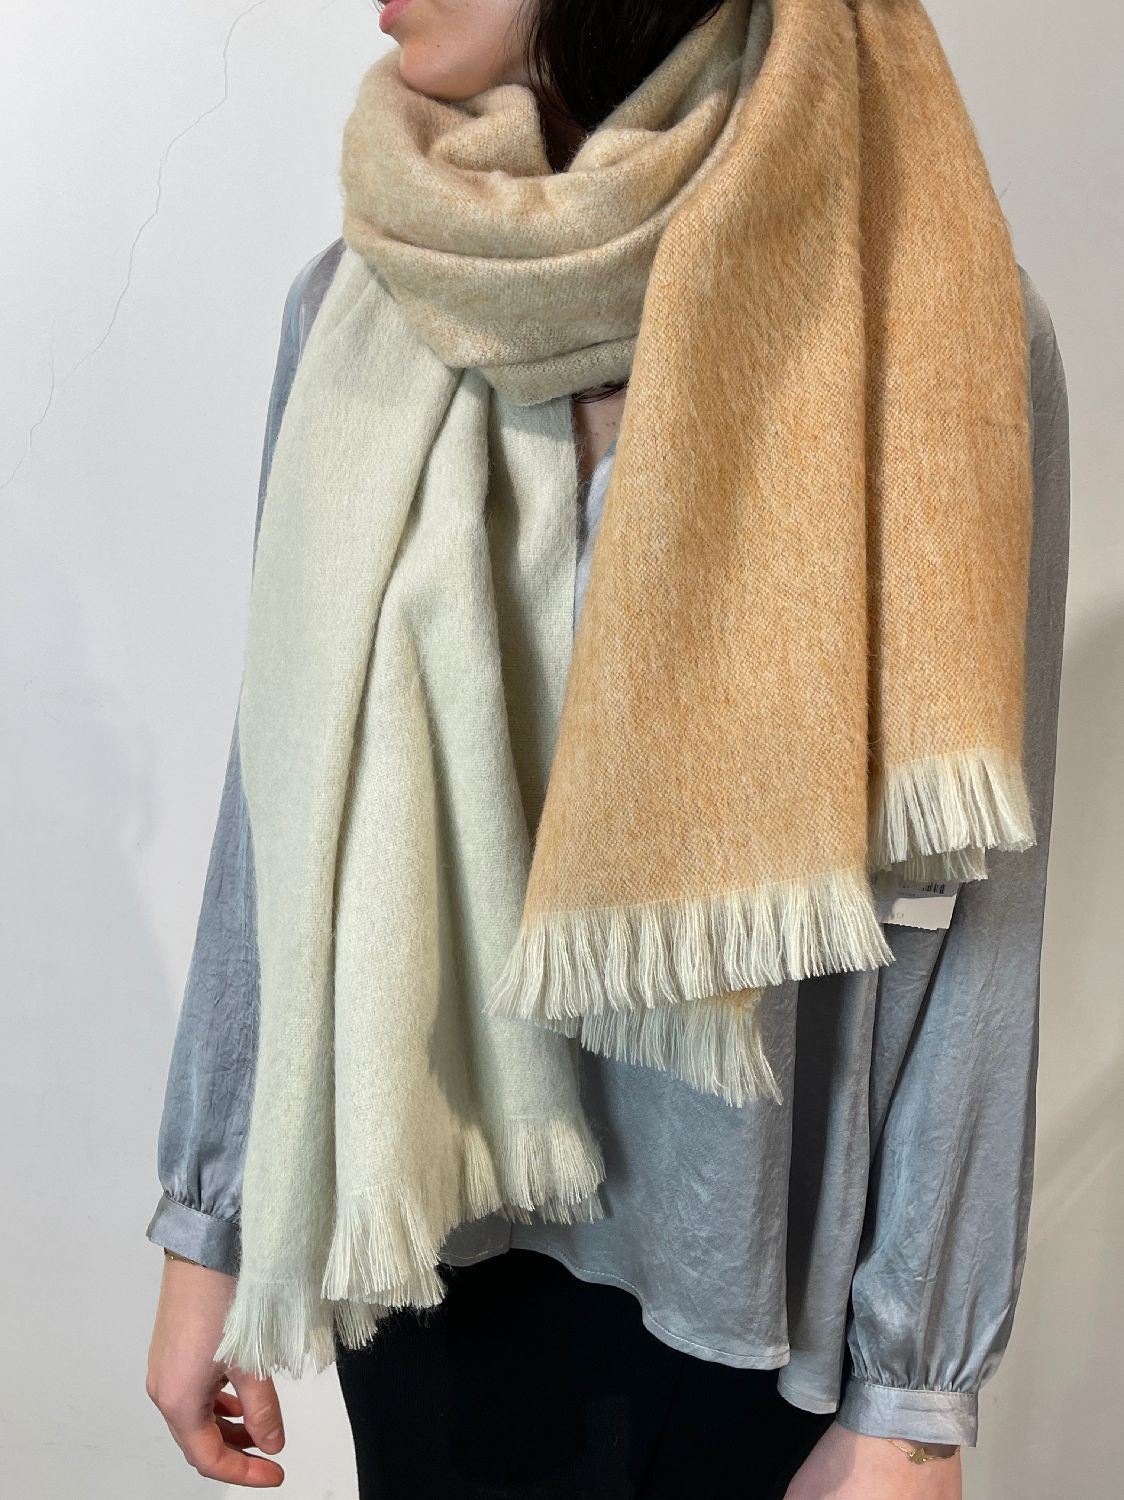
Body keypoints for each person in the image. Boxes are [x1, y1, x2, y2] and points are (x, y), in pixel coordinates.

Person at [145, 2, 1071, 1496]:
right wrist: (212, 1222)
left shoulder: (934, 327)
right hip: (426, 1236)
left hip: (755, 1296)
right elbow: (283, 797)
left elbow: (977, 909)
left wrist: (915, 1392)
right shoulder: (366, 303)